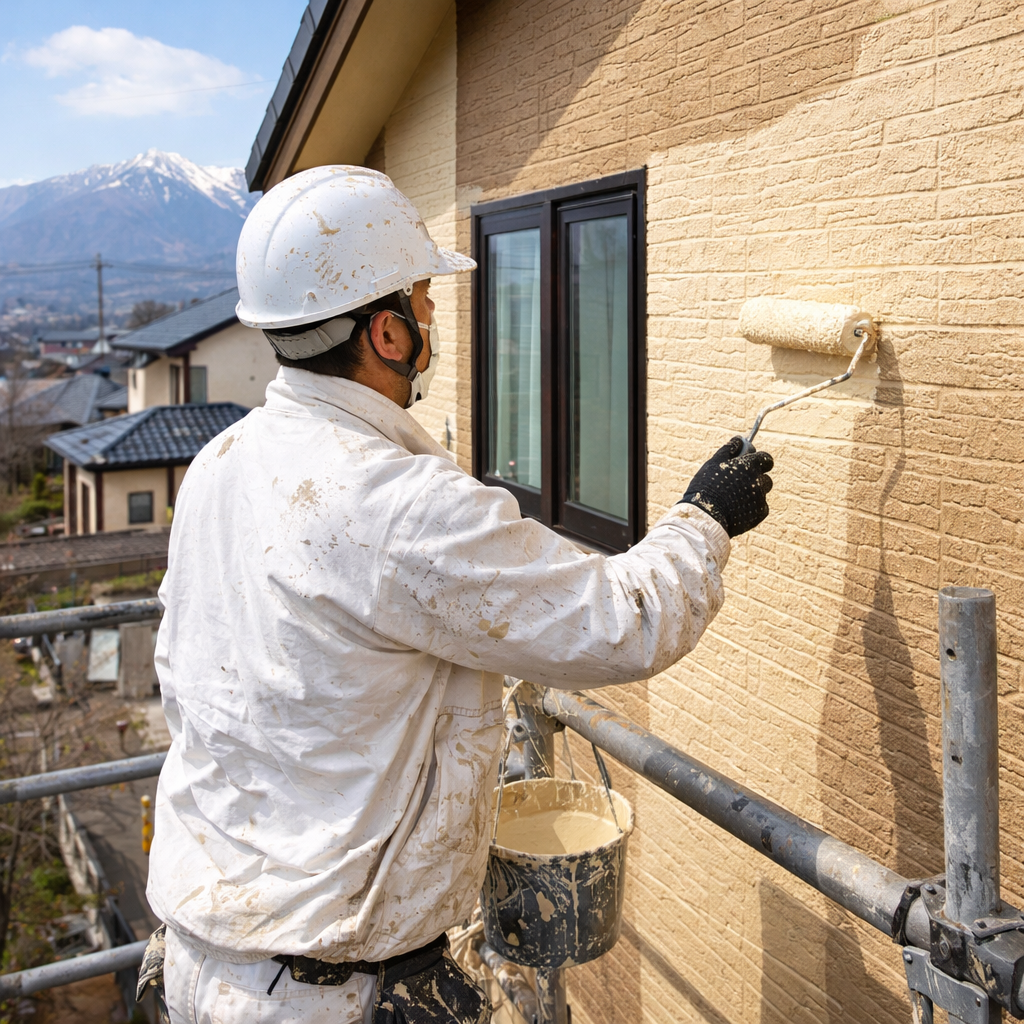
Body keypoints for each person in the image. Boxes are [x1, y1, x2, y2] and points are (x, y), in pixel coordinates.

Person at [145, 166, 774, 1024]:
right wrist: (706, 517)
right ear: (388, 334)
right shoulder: (397, 506)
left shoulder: (221, 463)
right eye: (424, 299)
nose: (437, 316)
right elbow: (623, 620)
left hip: (202, 959)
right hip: (323, 996)